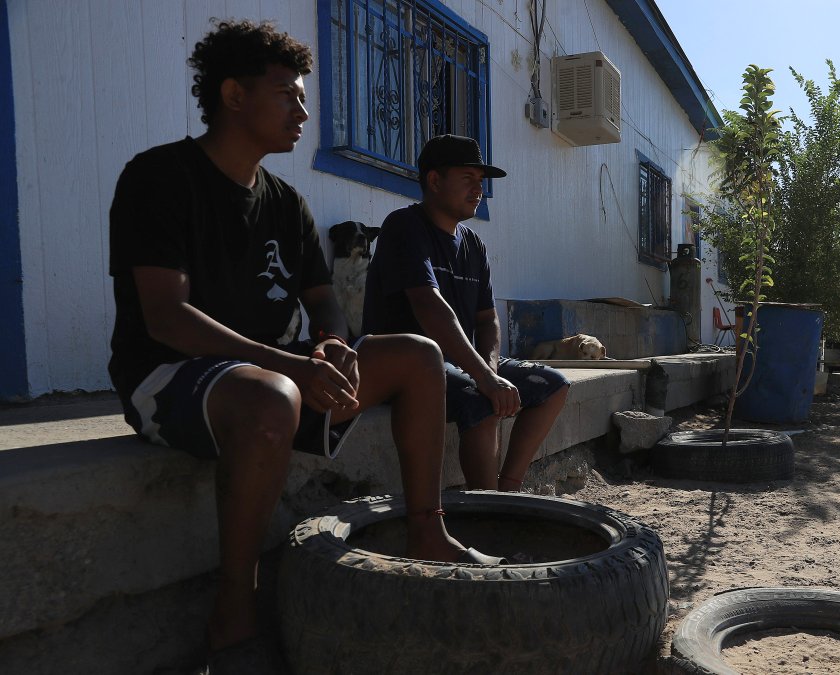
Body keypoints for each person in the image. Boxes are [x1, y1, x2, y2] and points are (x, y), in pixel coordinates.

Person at [107, 20, 494, 672]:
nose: (304, 110)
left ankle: (427, 530)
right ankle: (234, 613)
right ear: (234, 95)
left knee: (416, 356)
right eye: (287, 94)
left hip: (277, 376)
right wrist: (290, 364)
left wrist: (335, 346)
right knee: (271, 398)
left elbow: (323, 300)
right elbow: (166, 316)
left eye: (304, 95)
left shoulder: (285, 201)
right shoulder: (159, 177)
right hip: (171, 375)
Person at [361, 135, 570, 492]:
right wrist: (484, 380)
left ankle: (509, 489)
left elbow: (487, 319)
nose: (479, 190)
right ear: (435, 180)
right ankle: (489, 510)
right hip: (411, 367)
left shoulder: (473, 244)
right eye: (468, 179)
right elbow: (430, 307)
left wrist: (489, 368)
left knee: (552, 386)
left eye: (481, 182)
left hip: (461, 363)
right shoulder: (405, 227)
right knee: (480, 399)